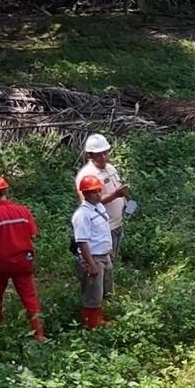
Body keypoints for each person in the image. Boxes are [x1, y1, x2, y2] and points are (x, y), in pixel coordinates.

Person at [0, 175, 44, 343]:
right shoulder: (23, 211)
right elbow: (33, 234)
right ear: (5, 191)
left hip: (0, 264)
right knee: (30, 298)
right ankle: (39, 335)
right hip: (24, 261)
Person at [75, 134, 129, 289]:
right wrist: (115, 195)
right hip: (104, 226)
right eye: (99, 154)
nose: (104, 156)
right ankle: (98, 294)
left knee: (112, 260)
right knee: (103, 261)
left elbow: (119, 190)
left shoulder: (110, 168)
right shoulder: (87, 175)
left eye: (106, 152)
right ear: (90, 156)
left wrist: (127, 203)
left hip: (117, 222)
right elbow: (86, 201)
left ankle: (107, 292)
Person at [72, 174, 115, 329]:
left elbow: (102, 231)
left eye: (98, 191)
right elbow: (82, 241)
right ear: (84, 194)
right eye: (93, 192)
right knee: (92, 292)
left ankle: (98, 318)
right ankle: (90, 324)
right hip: (93, 258)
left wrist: (109, 249)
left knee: (102, 289)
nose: (97, 194)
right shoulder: (82, 215)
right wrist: (91, 264)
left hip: (104, 255)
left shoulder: (99, 207)